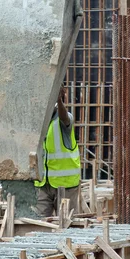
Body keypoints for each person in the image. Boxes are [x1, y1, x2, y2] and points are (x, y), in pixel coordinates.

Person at [33, 86, 81, 217]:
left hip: (65, 184)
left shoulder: (64, 119)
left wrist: (59, 100)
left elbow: (64, 117)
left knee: (67, 222)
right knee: (39, 223)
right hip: (43, 183)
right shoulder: (36, 122)